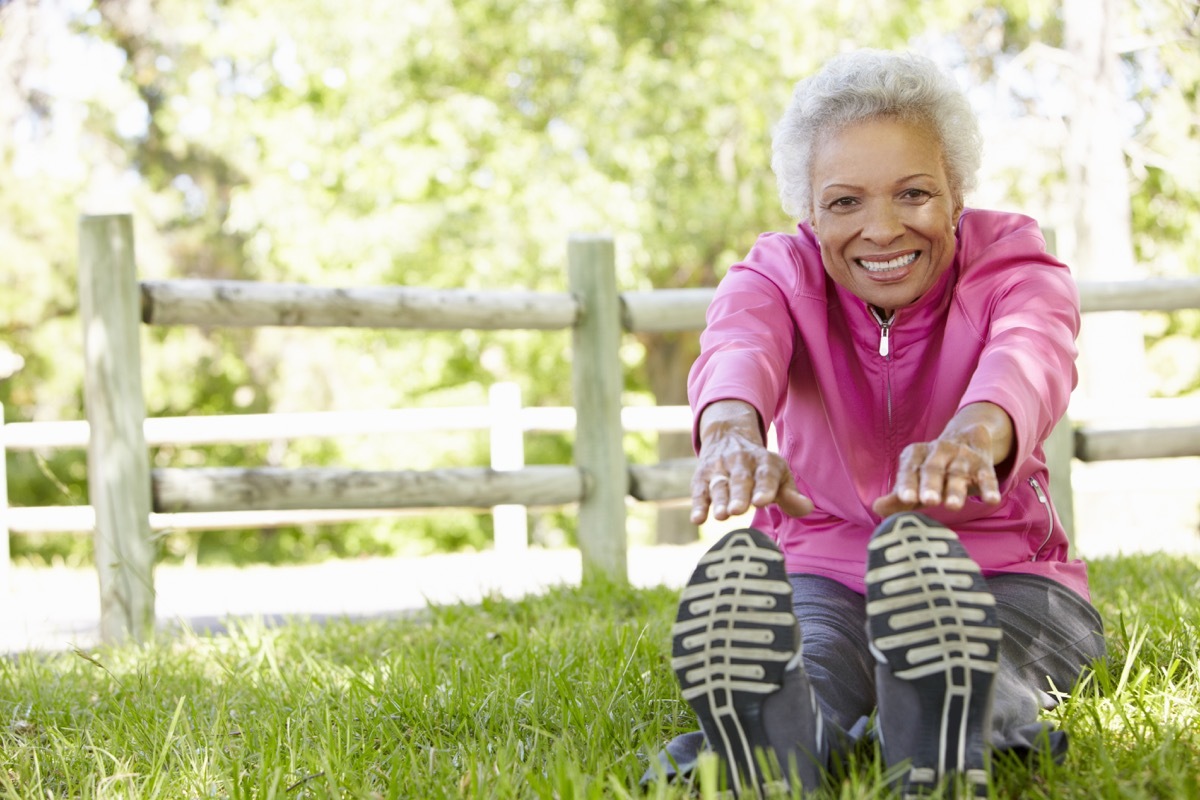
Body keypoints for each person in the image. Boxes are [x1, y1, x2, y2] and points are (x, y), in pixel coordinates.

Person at [650, 50, 1107, 798]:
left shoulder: (1013, 262)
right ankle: (775, 743)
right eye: (845, 203)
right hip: (822, 572)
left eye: (914, 193)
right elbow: (740, 344)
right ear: (809, 211)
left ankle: (944, 725)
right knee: (815, 664)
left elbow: (1032, 353)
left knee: (988, 664)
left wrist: (973, 435)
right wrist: (731, 431)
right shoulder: (779, 272)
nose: (883, 229)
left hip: (1007, 577)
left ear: (958, 191)